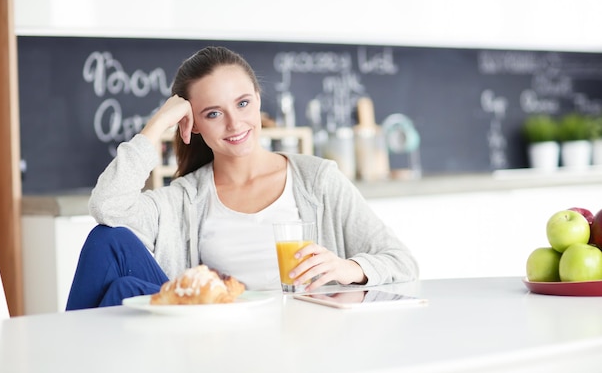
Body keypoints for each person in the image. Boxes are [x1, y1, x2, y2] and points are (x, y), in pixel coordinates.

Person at [66, 46, 419, 310]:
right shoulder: (185, 199)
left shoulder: (317, 181)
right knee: (106, 240)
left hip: (303, 340)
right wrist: (155, 127)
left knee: (121, 292)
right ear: (195, 125)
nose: (235, 124)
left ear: (258, 101)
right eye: (214, 113)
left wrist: (348, 267)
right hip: (216, 341)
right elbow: (107, 207)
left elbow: (402, 263)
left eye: (243, 104)